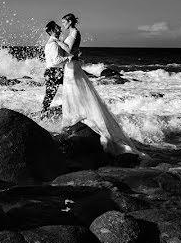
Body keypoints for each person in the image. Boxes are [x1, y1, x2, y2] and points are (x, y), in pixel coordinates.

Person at [53, 13, 141, 155]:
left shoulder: (75, 32)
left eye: (64, 22)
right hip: (69, 66)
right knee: (71, 92)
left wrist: (57, 41)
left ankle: (80, 118)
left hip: (73, 66)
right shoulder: (70, 33)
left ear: (70, 22)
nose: (62, 24)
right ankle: (73, 117)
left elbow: (69, 50)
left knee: (74, 89)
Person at [41, 21, 70, 117]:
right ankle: (43, 114)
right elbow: (56, 61)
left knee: (50, 95)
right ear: (53, 30)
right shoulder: (53, 44)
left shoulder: (54, 42)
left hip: (53, 72)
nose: (60, 28)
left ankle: (44, 113)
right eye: (58, 27)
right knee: (50, 95)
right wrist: (69, 58)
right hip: (54, 72)